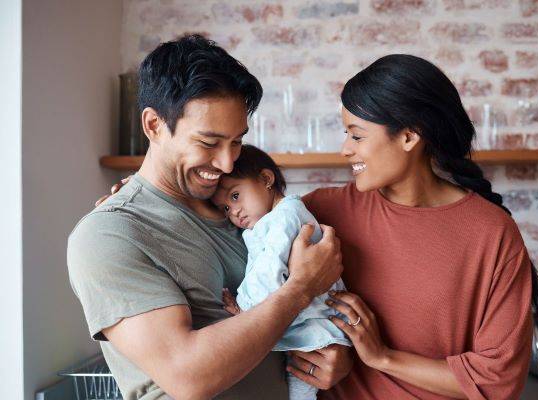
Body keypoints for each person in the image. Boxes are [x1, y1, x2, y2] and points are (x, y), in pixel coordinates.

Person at [67, 34, 352, 400]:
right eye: (208, 142)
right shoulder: (109, 235)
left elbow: (291, 331)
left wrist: (335, 356)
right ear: (154, 125)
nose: (227, 162)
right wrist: (300, 288)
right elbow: (189, 377)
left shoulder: (244, 213)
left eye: (236, 141)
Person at [302, 54, 538, 400]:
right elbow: (265, 300)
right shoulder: (319, 212)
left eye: (357, 136)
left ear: (409, 137)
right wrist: (318, 357)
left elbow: (497, 381)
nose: (345, 150)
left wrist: (382, 357)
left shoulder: (492, 233)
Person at [212, 144, 352, 400]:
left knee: (301, 392)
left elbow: (270, 270)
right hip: (306, 327)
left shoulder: (286, 217)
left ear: (266, 179)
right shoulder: (269, 221)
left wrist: (244, 310)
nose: (234, 211)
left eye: (235, 196)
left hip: (315, 330)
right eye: (225, 208)